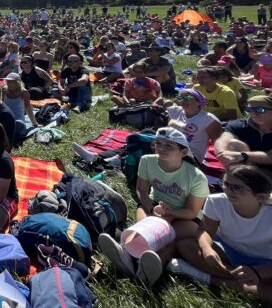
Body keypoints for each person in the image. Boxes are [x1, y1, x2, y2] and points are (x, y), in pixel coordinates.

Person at [99, 127, 209, 287]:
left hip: (185, 217)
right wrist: (151, 210)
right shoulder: (147, 160)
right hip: (153, 206)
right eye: (158, 144)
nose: (161, 149)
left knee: (166, 239)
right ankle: (126, 255)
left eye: (169, 146)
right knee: (143, 230)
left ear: (183, 152)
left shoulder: (197, 177)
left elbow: (192, 211)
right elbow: (141, 190)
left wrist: (170, 214)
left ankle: (146, 268)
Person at [171, 164, 272, 302]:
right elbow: (205, 230)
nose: (228, 191)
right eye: (225, 183)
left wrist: (258, 273)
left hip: (265, 261)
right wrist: (206, 249)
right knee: (185, 245)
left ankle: (206, 277)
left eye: (237, 188)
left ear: (260, 197)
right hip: (228, 251)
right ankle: (243, 282)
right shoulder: (216, 201)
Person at [214, 95, 272, 176]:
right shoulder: (240, 124)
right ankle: (244, 180)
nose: (254, 113)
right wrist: (222, 154)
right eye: (249, 110)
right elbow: (223, 139)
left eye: (260, 110)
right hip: (247, 169)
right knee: (233, 144)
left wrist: (243, 155)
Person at [164, 88, 222, 164]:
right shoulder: (175, 111)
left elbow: (218, 142)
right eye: (180, 98)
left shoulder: (208, 119)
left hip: (190, 156)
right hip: (168, 148)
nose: (182, 101)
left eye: (187, 98)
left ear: (199, 101)